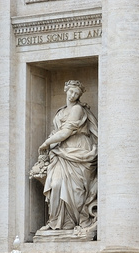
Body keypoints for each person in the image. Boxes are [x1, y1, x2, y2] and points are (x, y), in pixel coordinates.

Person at [35, 80, 99, 233]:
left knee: (76, 191)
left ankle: (73, 223)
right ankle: (55, 222)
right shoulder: (60, 112)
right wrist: (52, 143)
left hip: (78, 150)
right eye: (71, 92)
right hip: (61, 152)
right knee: (56, 184)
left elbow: (66, 132)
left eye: (77, 94)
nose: (73, 95)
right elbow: (58, 132)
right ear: (66, 90)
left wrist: (46, 143)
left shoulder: (77, 109)